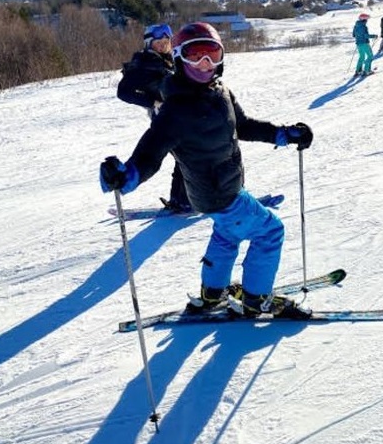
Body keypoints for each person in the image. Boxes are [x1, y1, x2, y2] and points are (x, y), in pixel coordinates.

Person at [100, 22, 313, 319]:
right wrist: (126, 175)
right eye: (195, 55)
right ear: (178, 57)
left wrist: (283, 134)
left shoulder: (220, 91)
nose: (204, 63)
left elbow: (243, 126)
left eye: (212, 54)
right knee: (270, 231)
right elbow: (150, 153)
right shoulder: (175, 109)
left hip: (214, 190)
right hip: (220, 193)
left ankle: (212, 294)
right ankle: (257, 299)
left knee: (227, 234)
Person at [117, 23, 191, 213]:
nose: (163, 45)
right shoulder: (143, 63)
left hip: (181, 118)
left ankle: (181, 199)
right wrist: (152, 101)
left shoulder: (170, 61)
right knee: (187, 156)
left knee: (186, 158)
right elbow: (123, 92)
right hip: (165, 121)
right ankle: (183, 201)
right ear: (149, 44)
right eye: (158, 42)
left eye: (166, 41)